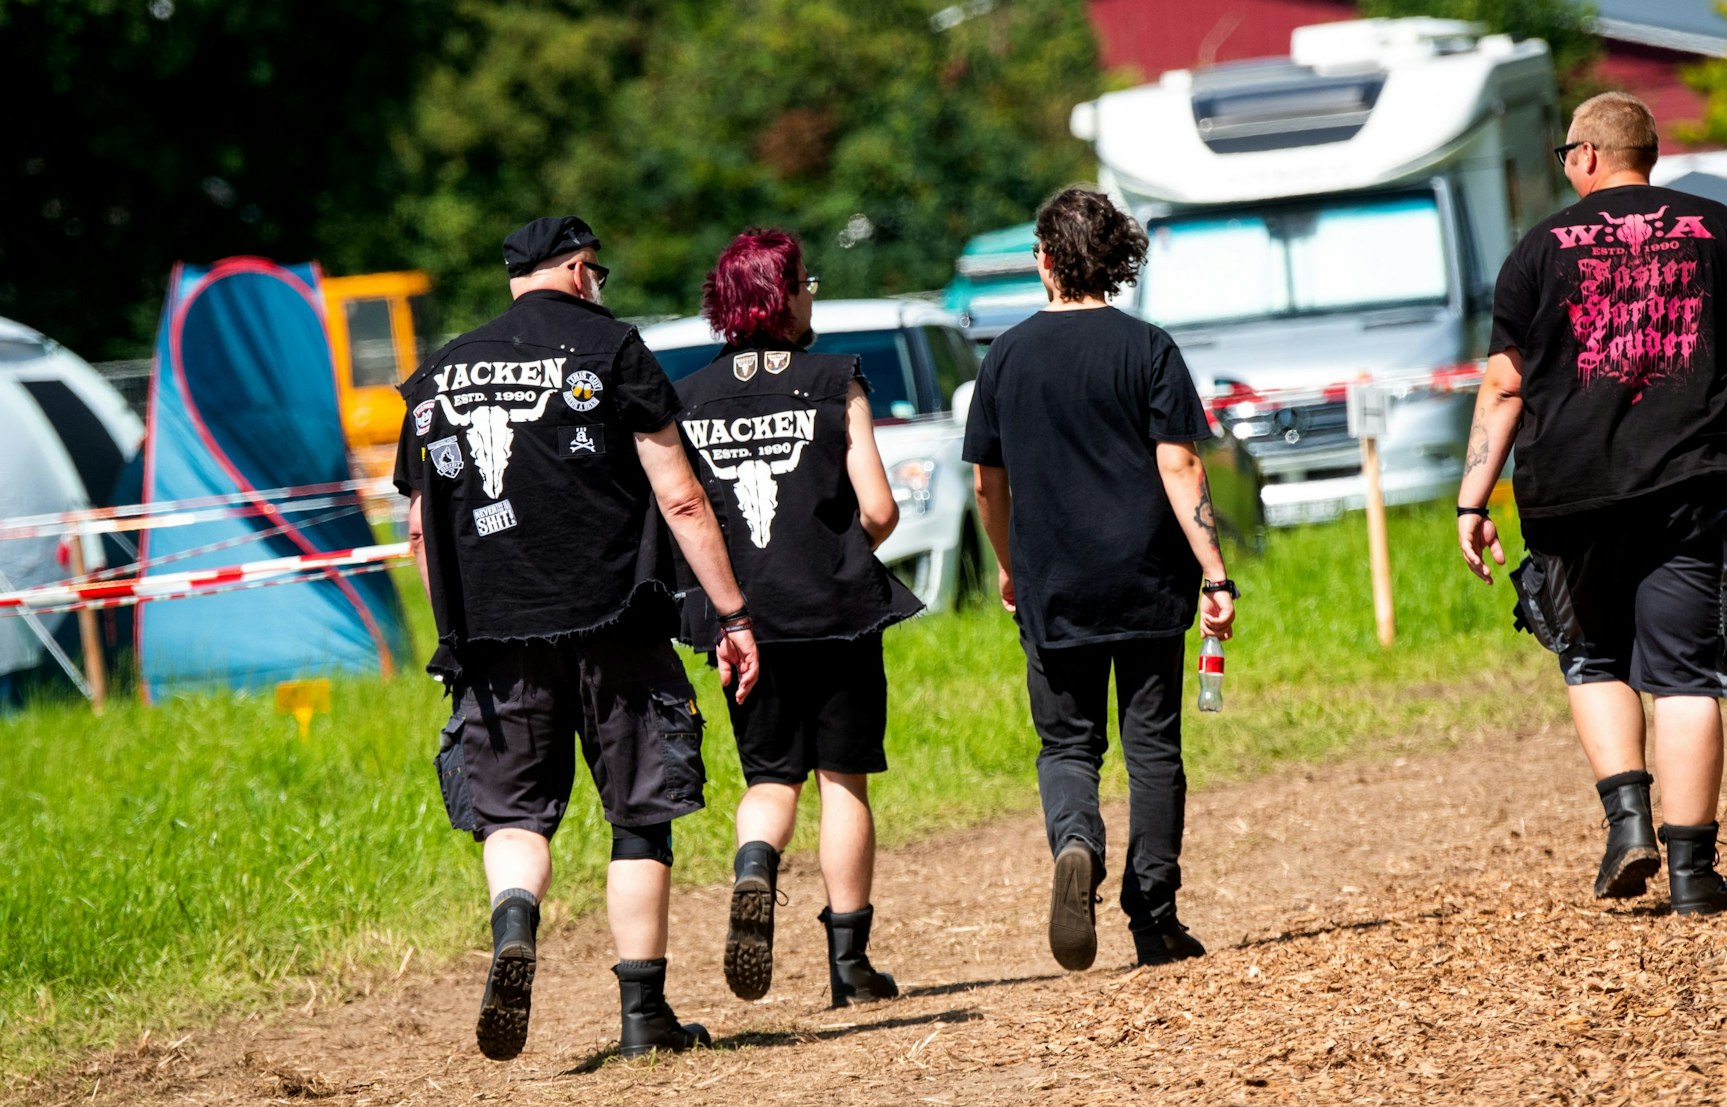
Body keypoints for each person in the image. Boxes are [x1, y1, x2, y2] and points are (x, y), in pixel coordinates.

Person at [394, 215, 761, 1060]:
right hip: (618, 620)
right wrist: (733, 614)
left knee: (515, 814)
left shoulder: (437, 373)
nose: (604, 284)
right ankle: (643, 1015)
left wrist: (459, 627)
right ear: (574, 267)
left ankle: (515, 924)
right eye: (598, 268)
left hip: (493, 635)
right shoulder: (614, 348)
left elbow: (420, 531)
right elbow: (681, 497)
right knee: (640, 811)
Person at [1455, 93, 1727, 915]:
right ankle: (1694, 874)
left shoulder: (1538, 248)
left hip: (1569, 491)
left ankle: (1628, 821)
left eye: (1564, 154)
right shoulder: (1717, 227)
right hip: (1699, 480)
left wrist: (1470, 500)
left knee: (1592, 658)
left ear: (1586, 155)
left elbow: (1504, 383)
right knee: (1688, 676)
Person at [962, 186, 1236, 971]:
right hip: (1148, 579)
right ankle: (1154, 919)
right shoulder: (1147, 347)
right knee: (1152, 748)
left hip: (1054, 585)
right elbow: (1179, 463)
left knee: (1067, 746)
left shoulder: (1005, 356)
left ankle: (1076, 841)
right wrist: (1214, 573)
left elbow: (988, 483)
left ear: (1044, 260)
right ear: (1114, 260)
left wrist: (1011, 565)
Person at [673, 228, 922, 1008]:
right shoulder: (834, 377)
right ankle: (850, 966)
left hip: (744, 620)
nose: (814, 294)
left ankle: (755, 867)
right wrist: (844, 546)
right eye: (807, 283)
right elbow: (878, 507)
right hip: (838, 608)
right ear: (781, 298)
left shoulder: (689, 397)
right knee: (843, 779)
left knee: (770, 777)